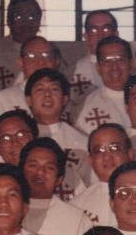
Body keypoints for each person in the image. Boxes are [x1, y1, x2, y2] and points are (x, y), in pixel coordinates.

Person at [24, 68, 89, 198]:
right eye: (40, 89)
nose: (47, 95)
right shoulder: (19, 140)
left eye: (54, 89)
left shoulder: (82, 142)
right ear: (28, 100)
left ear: (65, 99)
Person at [0, 36, 60, 128]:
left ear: (56, 62)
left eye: (46, 55)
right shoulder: (5, 99)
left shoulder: (63, 97)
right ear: (21, 63)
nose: (41, 62)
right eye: (32, 56)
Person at [71, 123, 134, 226]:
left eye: (114, 148)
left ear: (130, 154)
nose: (107, 157)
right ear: (91, 160)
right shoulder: (76, 206)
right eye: (99, 151)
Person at [75, 36, 132, 134]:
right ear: (98, 68)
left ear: (131, 64)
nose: (114, 67)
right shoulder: (86, 106)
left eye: (120, 59)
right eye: (107, 61)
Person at [0, 0, 42, 95]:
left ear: (39, 21)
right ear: (9, 21)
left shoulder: (48, 51)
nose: (26, 22)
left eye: (31, 17)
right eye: (19, 17)